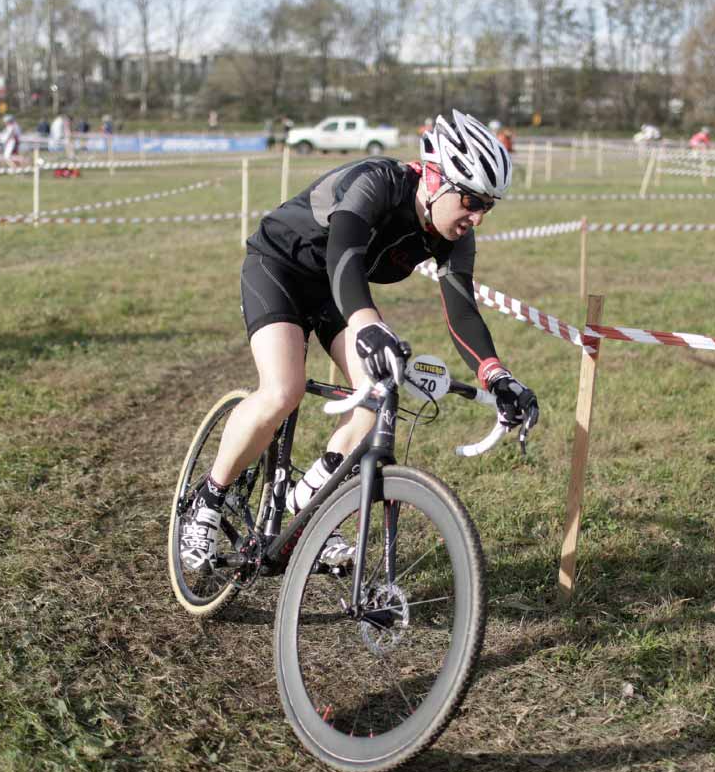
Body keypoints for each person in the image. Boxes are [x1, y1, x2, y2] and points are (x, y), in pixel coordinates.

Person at [178, 109, 541, 571]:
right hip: (281, 269)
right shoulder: (378, 183)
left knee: (378, 398)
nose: (477, 217)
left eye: (487, 206)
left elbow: (462, 309)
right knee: (283, 390)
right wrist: (368, 322)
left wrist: (496, 373)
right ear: (434, 177)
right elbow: (343, 254)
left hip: (338, 295)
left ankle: (306, 510)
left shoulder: (452, 235)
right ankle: (207, 501)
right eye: (470, 200)